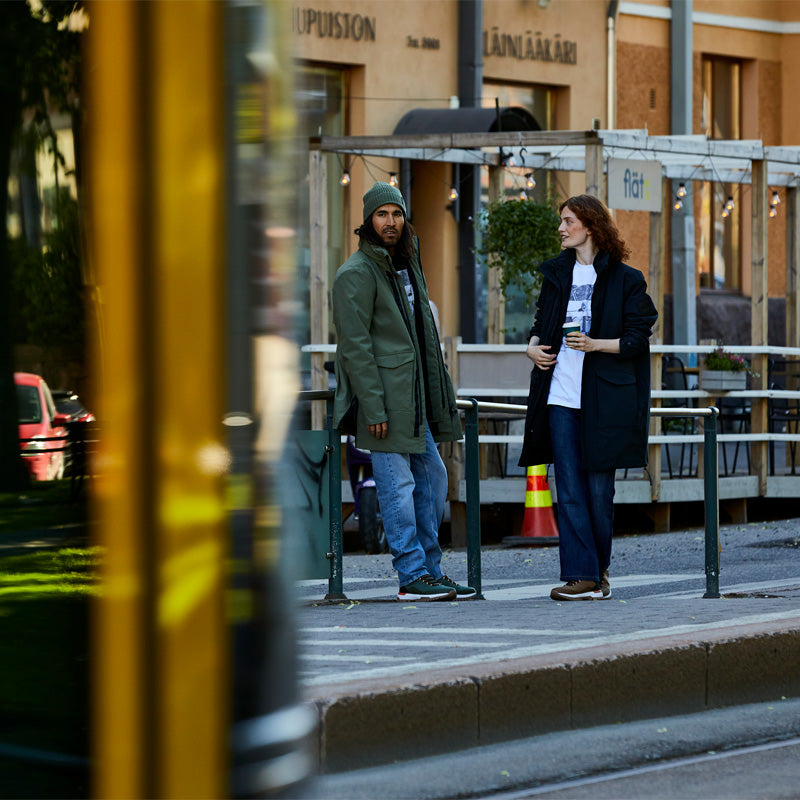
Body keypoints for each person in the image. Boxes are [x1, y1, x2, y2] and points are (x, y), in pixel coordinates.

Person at [332, 181, 476, 601]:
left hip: (415, 399)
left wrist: (438, 393)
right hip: (384, 402)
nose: (390, 221)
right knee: (397, 487)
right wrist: (373, 407)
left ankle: (430, 571)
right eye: (382, 214)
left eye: (396, 213)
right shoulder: (355, 274)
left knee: (433, 477)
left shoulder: (408, 264)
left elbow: (424, 334)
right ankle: (411, 575)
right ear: (368, 221)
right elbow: (355, 348)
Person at [519, 194, 658, 601]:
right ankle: (581, 575)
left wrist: (596, 345)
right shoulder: (556, 274)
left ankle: (598, 573)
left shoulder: (626, 279)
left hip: (604, 399)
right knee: (569, 489)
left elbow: (638, 337)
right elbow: (540, 321)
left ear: (591, 226)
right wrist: (531, 347)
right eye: (561, 221)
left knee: (599, 491)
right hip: (560, 395)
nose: (561, 228)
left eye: (568, 221)